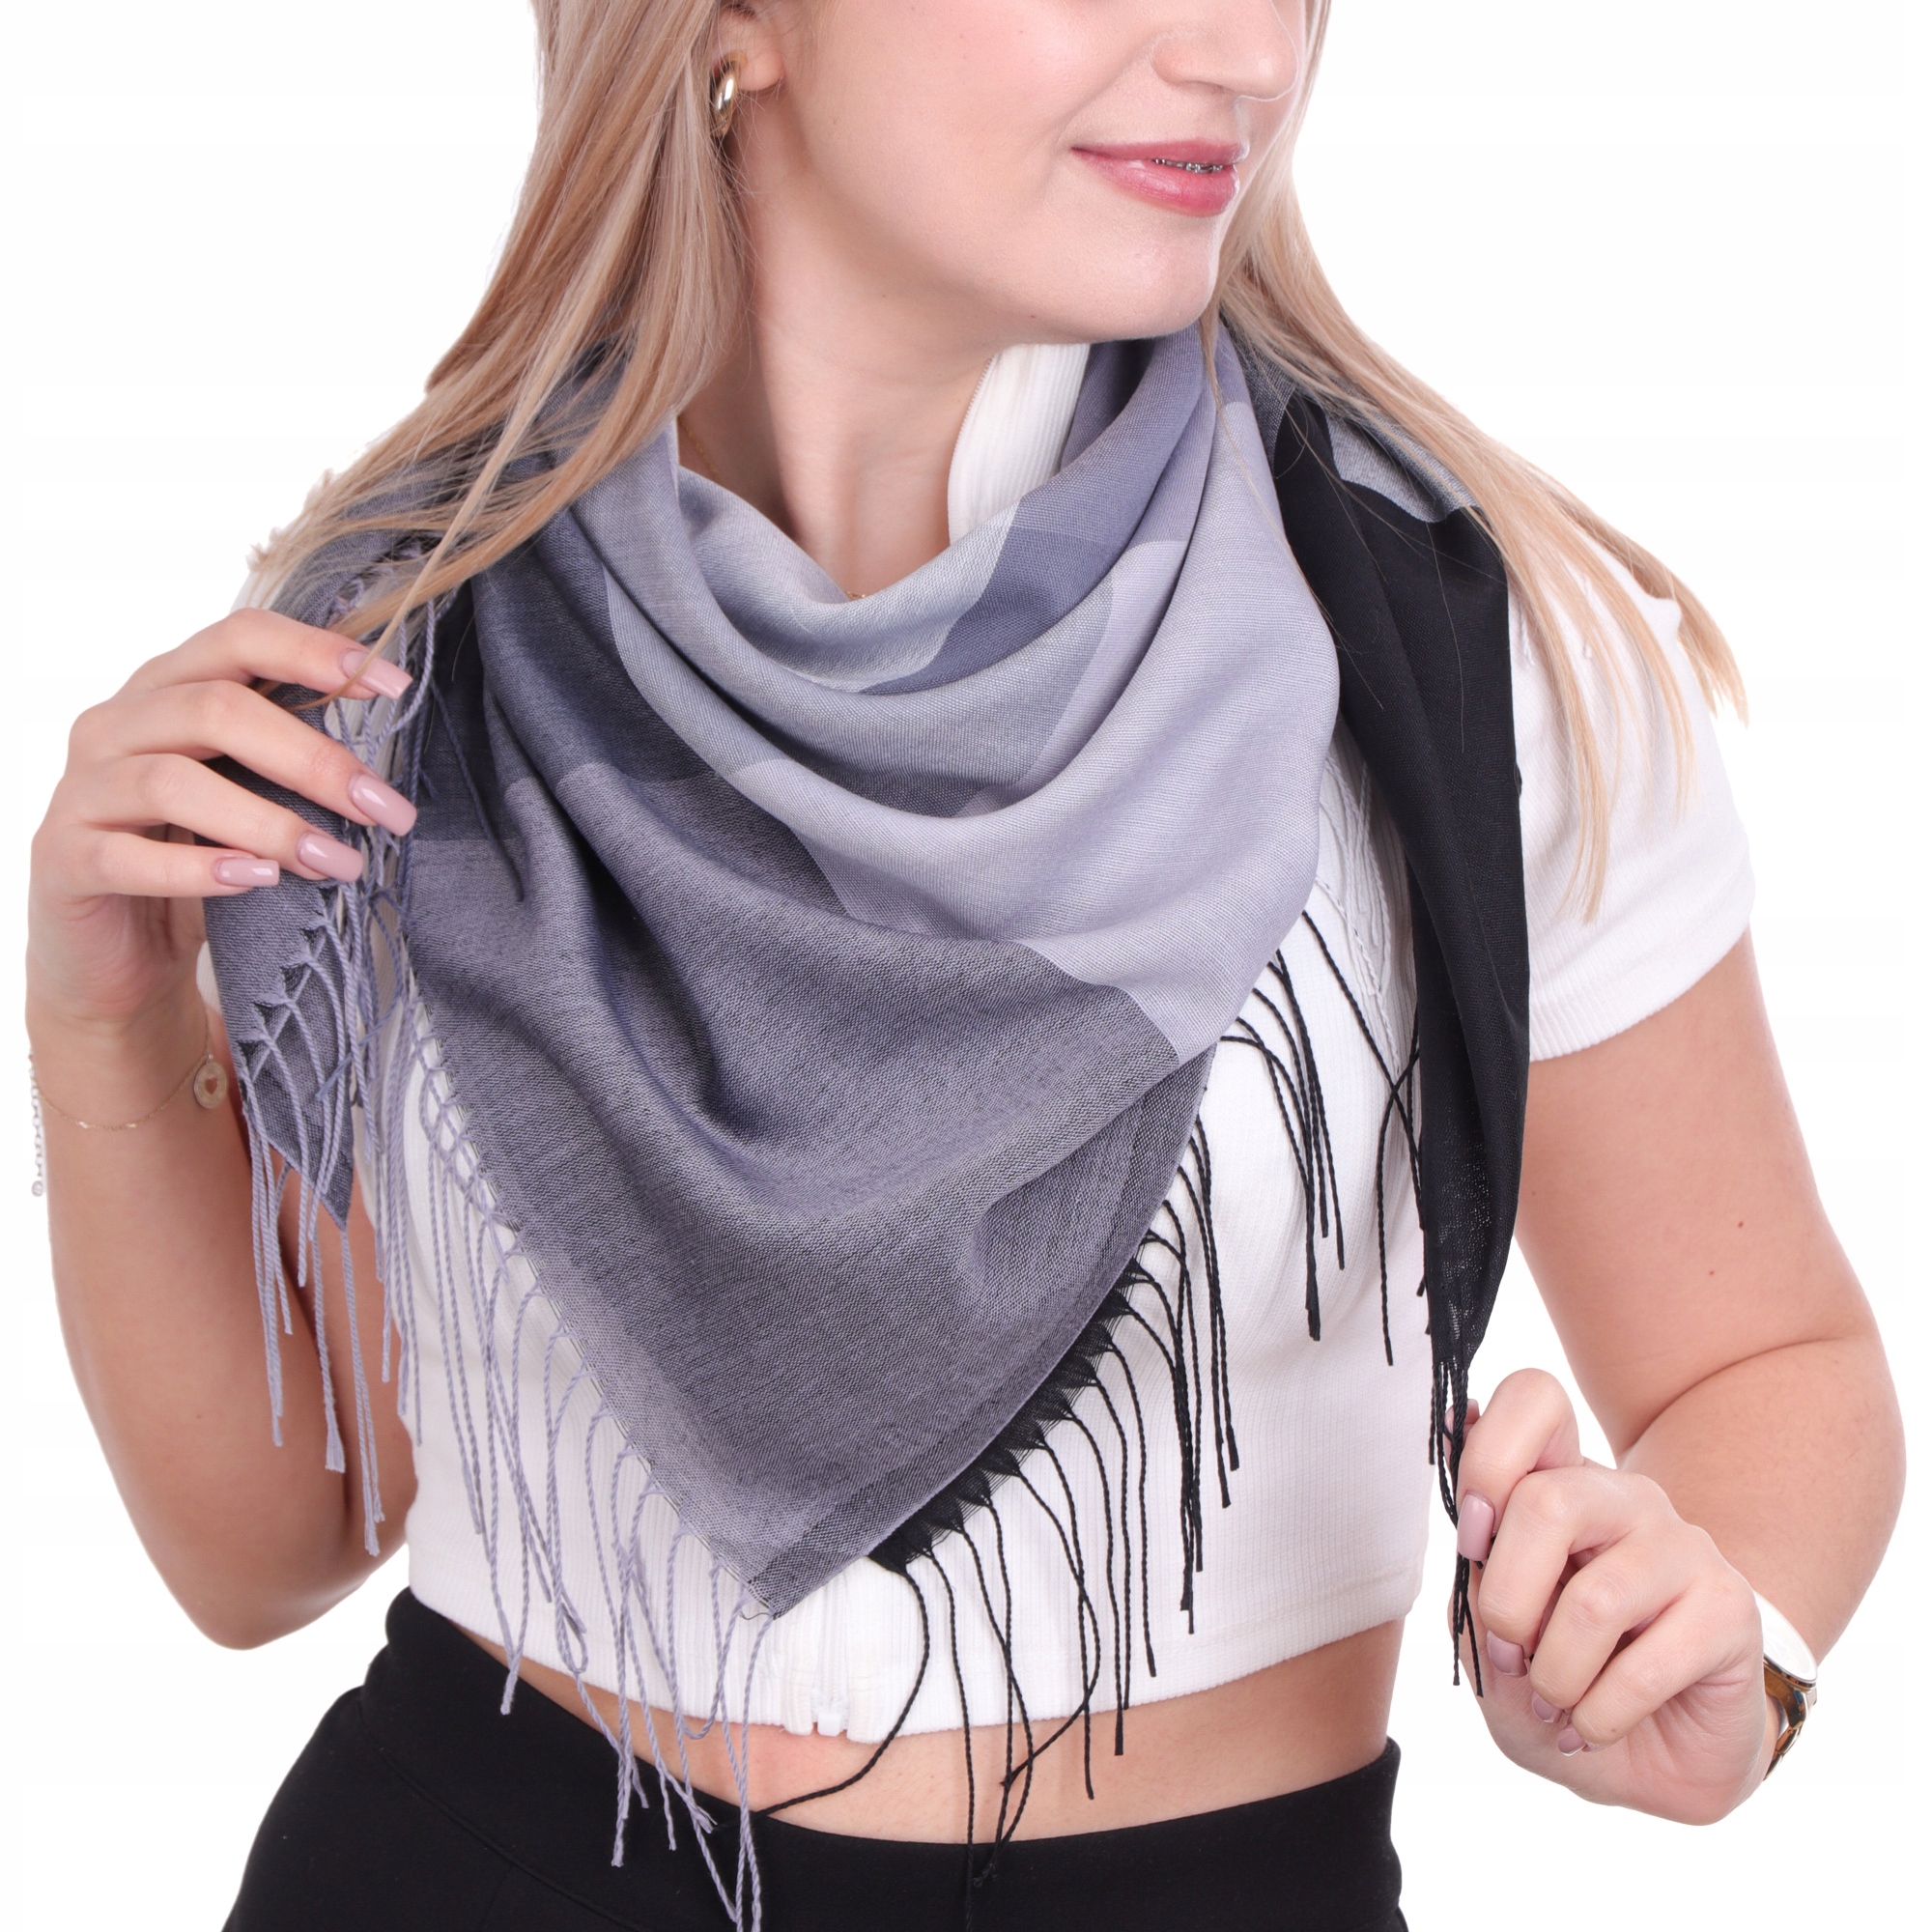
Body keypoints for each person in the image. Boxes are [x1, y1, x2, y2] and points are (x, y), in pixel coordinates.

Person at [25, 4, 1903, 1928]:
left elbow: (1769, 1363)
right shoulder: (405, 647)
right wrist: (109, 1017)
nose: (1247, 55)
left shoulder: (1455, 643)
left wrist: (1722, 1639)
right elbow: (272, 1546)